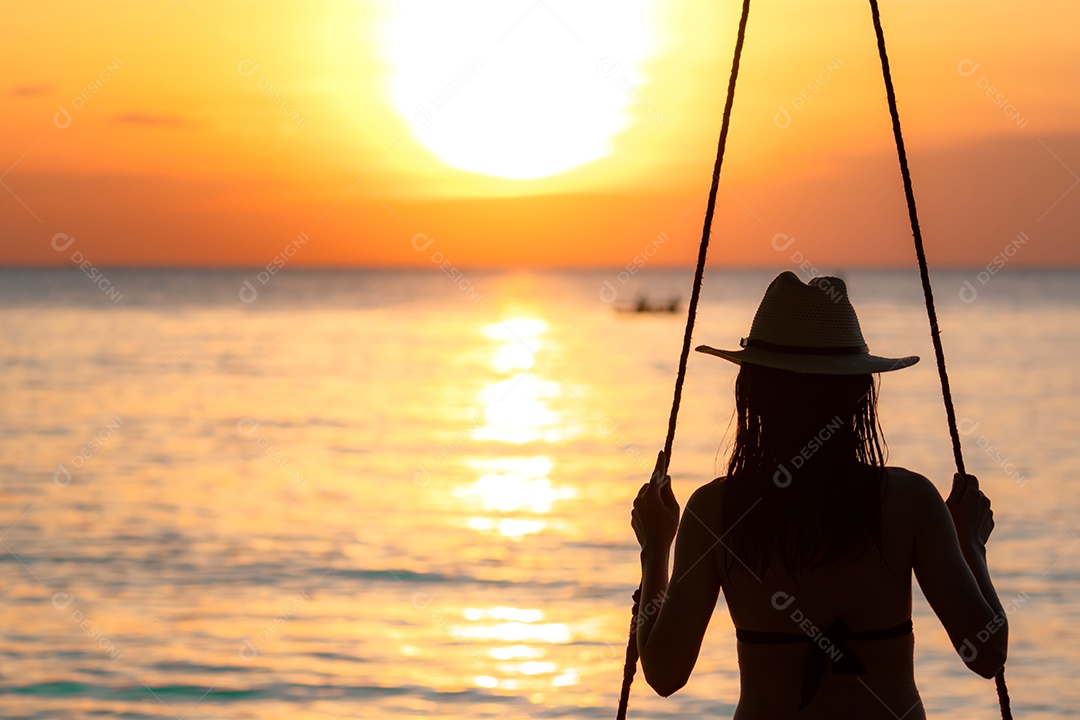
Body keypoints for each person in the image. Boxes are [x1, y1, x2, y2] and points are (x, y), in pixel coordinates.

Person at [630, 272, 1007, 719]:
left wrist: (656, 547)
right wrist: (970, 545)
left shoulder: (717, 510)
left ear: (750, 396)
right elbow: (987, 654)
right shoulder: (910, 502)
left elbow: (664, 673)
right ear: (859, 396)